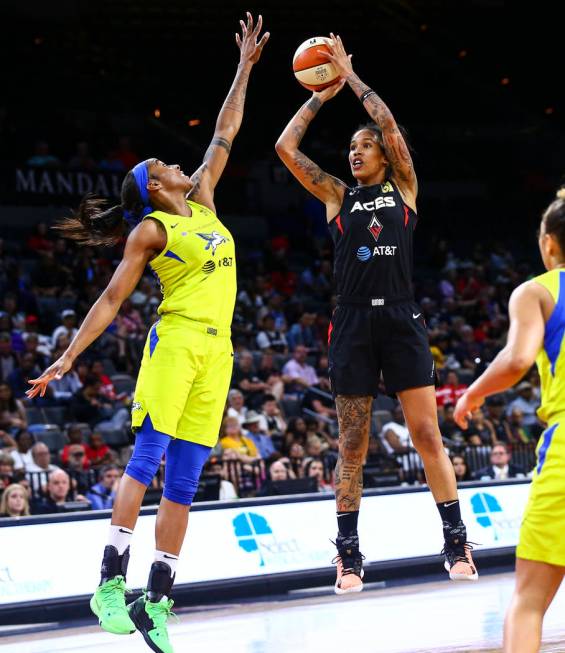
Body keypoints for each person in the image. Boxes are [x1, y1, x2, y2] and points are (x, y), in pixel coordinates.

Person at [26, 15, 268, 653]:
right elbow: (110, 299)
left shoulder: (207, 199)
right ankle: (109, 582)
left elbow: (225, 130)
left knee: (185, 480)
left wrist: (244, 66)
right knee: (148, 456)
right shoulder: (152, 231)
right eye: (163, 162)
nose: (177, 160)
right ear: (157, 189)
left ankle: (158, 600)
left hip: (219, 349)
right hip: (179, 339)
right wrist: (67, 357)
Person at [276, 32, 477, 592]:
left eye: (364, 146)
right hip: (354, 322)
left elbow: (388, 125)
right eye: (351, 148)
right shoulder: (338, 196)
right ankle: (348, 556)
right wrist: (322, 93)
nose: (355, 152)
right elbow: (285, 150)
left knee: (426, 436)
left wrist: (353, 78)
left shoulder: (405, 188)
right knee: (352, 446)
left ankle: (456, 541)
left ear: (385, 154)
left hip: (403, 319)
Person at [454, 189, 565, 653]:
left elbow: (517, 358)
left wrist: (472, 394)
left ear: (549, 245)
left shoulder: (538, 290)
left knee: (527, 601)